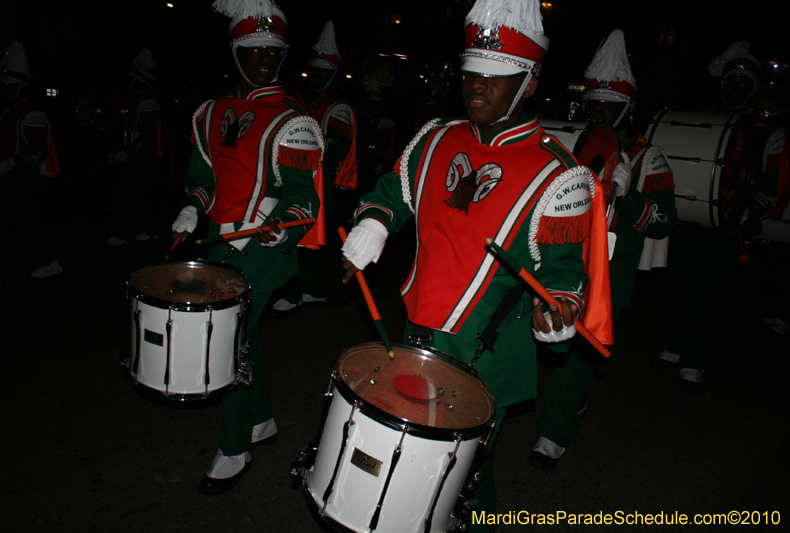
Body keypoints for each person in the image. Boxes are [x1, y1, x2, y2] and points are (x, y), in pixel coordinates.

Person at [341, 1, 613, 529]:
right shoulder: (436, 136)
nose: (478, 87)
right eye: (472, 74)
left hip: (487, 349)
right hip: (420, 330)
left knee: (464, 471)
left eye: (497, 77)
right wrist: (374, 222)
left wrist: (560, 306)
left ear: (530, 83)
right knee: (413, 460)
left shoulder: (560, 174)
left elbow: (564, 270)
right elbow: (393, 192)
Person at [170, 0, 322, 494]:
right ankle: (262, 420)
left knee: (226, 343)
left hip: (263, 245)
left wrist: (282, 226)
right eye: (254, 49)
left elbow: (304, 199)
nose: (265, 58)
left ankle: (235, 448)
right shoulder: (210, 112)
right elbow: (204, 176)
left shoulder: (292, 120)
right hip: (219, 242)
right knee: (245, 336)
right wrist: (192, 208)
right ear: (235, 51)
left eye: (273, 51)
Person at [528, 29, 677, 471]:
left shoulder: (648, 157)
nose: (595, 113)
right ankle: (571, 401)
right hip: (560, 258)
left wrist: (628, 197)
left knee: (577, 349)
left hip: (609, 273)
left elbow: (665, 221)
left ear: (627, 108)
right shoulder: (571, 141)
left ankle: (552, 435)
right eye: (591, 103)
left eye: (606, 106)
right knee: (556, 342)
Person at [653, 41, 787, 393]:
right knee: (680, 283)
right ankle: (677, 343)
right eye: (730, 83)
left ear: (753, 89)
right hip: (693, 217)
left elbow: (773, 183)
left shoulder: (767, 130)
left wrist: (748, 210)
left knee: (705, 291)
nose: (735, 89)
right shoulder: (709, 120)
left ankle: (695, 359)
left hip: (728, 226)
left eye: (743, 84)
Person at [273, 20, 357, 312]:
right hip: (302, 177)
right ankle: (309, 288)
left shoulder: (339, 107)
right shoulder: (307, 101)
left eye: (325, 73)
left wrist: (310, 143)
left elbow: (340, 147)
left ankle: (300, 290)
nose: (319, 77)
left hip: (321, 181)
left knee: (304, 236)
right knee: (302, 237)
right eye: (316, 71)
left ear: (333, 75)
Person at [0, 40, 61, 287]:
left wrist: (10, 164)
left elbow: (38, 152)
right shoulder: (8, 112)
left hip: (23, 181)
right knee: (22, 225)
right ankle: (47, 262)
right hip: (9, 180)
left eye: (9, 86)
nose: (4, 90)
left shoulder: (32, 114)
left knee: (8, 225)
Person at [105, 48, 165, 246]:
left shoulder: (147, 103)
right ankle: (151, 230)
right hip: (134, 157)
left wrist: (127, 153)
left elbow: (148, 137)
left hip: (141, 158)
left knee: (124, 196)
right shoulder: (133, 101)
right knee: (138, 196)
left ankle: (121, 234)